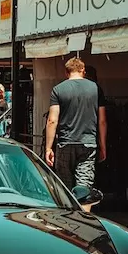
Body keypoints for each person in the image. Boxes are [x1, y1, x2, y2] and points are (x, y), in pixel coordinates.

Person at [45, 57, 107, 195]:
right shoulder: (96, 89)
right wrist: (103, 145)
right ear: (83, 71)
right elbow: (102, 121)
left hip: (65, 142)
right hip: (88, 143)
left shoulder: (58, 90)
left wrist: (49, 148)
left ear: (66, 73)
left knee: (64, 189)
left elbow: (52, 120)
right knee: (84, 189)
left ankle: (67, 215)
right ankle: (83, 215)